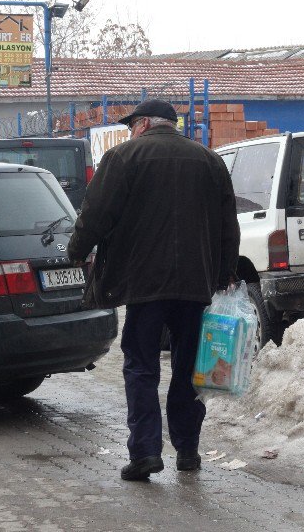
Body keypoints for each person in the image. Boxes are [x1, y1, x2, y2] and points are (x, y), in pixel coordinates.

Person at [68, 99, 240, 481]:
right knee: (189, 367)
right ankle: (188, 450)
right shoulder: (209, 161)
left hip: (143, 284)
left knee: (141, 365)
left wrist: (76, 251)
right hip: (196, 284)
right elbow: (229, 222)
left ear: (144, 123)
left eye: (132, 125)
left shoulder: (124, 157)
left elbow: (95, 214)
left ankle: (145, 452)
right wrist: (225, 269)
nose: (131, 131)